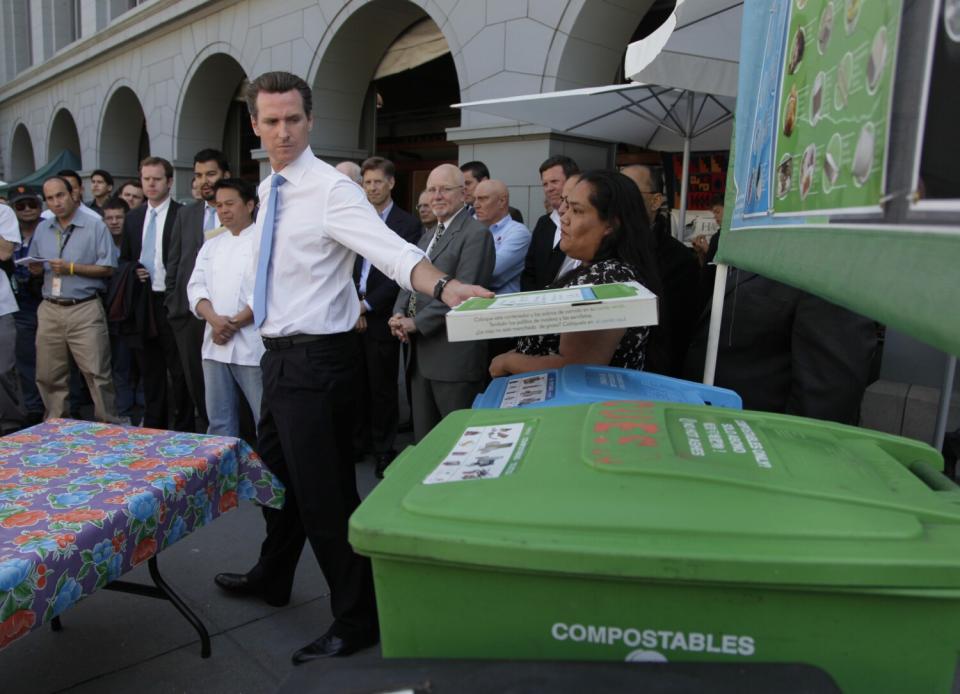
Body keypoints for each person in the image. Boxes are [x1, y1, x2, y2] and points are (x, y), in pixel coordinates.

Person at [211, 71, 491, 664]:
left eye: (292, 119)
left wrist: (442, 284)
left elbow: (391, 252)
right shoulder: (274, 187)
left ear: (309, 122)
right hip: (281, 359)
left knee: (325, 498)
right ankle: (274, 572)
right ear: (256, 127)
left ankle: (357, 616)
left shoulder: (331, 190)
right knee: (275, 479)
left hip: (317, 362)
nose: (282, 131)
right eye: (271, 121)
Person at [490, 170, 663, 377]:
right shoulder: (597, 270)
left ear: (610, 224)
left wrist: (508, 361)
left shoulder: (605, 280)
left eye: (577, 210)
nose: (564, 216)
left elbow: (577, 366)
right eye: (566, 205)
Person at [683, 268, 879, 425]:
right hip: (719, 428)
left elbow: (827, 398)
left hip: (763, 445)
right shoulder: (758, 251)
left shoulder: (829, 268)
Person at [390, 164, 495, 442]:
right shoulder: (428, 235)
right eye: (431, 189)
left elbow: (466, 295)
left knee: (457, 442)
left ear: (463, 194)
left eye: (444, 189)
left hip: (453, 360)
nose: (436, 196)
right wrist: (398, 313)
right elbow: (410, 280)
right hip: (420, 357)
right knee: (427, 442)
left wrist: (416, 323)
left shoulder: (476, 234)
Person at [30, 177, 119, 423]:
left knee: (97, 373)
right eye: (50, 198)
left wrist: (71, 268)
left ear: (73, 194)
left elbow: (108, 268)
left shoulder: (95, 226)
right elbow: (36, 263)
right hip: (49, 307)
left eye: (60, 195)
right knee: (48, 374)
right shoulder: (42, 228)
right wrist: (35, 269)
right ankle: (56, 426)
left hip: (84, 307)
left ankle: (107, 427)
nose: (56, 202)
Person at [355, 156, 421, 477]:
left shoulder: (407, 224)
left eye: (377, 182)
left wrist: (366, 307)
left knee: (382, 386)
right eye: (366, 182)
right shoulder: (354, 219)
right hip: (351, 315)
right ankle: (359, 442)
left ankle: (384, 449)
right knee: (355, 383)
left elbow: (399, 276)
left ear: (391, 183)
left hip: (382, 316)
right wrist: (352, 304)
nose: (371, 188)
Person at [119, 156, 192, 430]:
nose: (150, 184)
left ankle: (185, 426)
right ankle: (154, 426)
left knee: (180, 370)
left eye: (156, 179)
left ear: (169, 182)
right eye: (146, 179)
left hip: (172, 301)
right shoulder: (133, 217)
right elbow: (124, 258)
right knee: (150, 371)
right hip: (143, 301)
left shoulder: (182, 215)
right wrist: (132, 270)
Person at [165, 148, 234, 434]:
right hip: (189, 316)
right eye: (199, 175)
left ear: (226, 175)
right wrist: (174, 308)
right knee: (198, 387)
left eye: (211, 174)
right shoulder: (186, 214)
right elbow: (174, 262)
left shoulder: (240, 212)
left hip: (232, 316)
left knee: (232, 390)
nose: (204, 181)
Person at [187, 178, 262, 437]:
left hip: (251, 344)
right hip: (214, 343)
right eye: (219, 205)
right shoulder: (212, 244)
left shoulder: (263, 242)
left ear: (250, 204)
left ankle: (266, 475)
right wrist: (215, 322)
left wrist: (233, 324)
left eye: (230, 203)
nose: (224, 210)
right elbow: (196, 287)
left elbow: (265, 292)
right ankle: (221, 476)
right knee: (219, 422)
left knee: (263, 417)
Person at [621, 163, 700, 376]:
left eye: (630, 192)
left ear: (655, 201)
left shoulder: (679, 261)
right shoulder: (604, 248)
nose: (620, 201)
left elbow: (676, 336)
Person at [9, 186, 46, 423]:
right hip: (20, 301)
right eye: (21, 205)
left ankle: (68, 406)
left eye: (31, 204)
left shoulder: (49, 227)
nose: (27, 210)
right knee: (26, 357)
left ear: (39, 206)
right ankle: (33, 406)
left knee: (57, 358)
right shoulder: (9, 232)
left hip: (48, 297)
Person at [521, 155, 580, 291]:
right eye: (545, 184)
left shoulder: (585, 224)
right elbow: (530, 271)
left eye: (554, 181)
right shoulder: (543, 223)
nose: (549, 188)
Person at [472, 178, 530, 294]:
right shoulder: (472, 229)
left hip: (503, 305)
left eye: (483, 199)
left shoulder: (518, 233)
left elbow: (490, 272)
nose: (476, 205)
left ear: (502, 201)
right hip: (474, 302)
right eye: (475, 199)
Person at [0, 203, 26, 433]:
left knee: (3, 370)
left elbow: (5, 252)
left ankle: (10, 425)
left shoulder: (3, 212)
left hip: (1, 306)